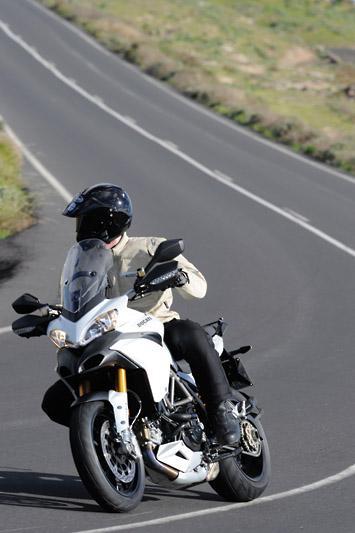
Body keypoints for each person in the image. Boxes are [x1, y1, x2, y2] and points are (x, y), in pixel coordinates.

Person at [43, 183, 240, 446]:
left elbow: (199, 287)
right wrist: (49, 315)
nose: (79, 226)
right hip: (107, 334)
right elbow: (71, 300)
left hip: (156, 327)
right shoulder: (81, 262)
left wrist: (179, 276)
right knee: (55, 401)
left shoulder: (148, 248)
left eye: (84, 219)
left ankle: (221, 410)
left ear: (104, 221)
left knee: (191, 333)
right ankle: (111, 434)